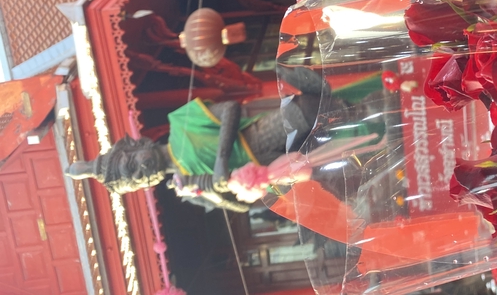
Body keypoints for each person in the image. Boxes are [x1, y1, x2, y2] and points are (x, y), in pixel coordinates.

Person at [66, 67, 330, 212]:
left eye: (131, 164)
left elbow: (230, 109)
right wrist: (218, 190)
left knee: (306, 110)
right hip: (269, 174)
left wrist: (221, 160)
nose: (140, 171)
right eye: (136, 178)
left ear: (136, 146)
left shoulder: (179, 123)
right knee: (323, 173)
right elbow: (239, 207)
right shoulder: (188, 189)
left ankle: (328, 102)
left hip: (257, 138)